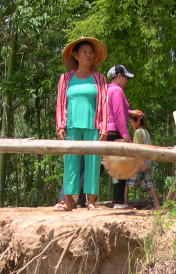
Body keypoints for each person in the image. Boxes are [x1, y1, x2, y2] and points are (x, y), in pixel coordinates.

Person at [55, 37, 108, 211]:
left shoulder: (99, 79)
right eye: (84, 51)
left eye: (91, 52)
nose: (88, 55)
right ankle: (68, 201)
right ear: (76, 55)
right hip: (71, 124)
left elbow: (103, 103)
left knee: (93, 161)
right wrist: (60, 125)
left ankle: (91, 201)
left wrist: (103, 127)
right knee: (71, 161)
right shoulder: (66, 79)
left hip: (93, 125)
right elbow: (61, 102)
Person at [106, 64, 143, 203]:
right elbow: (117, 114)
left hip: (107, 132)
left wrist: (130, 112)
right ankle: (119, 202)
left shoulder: (108, 90)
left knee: (101, 166)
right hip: (115, 132)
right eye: (126, 77)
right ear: (119, 76)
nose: (127, 81)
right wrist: (125, 134)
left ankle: (78, 197)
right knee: (121, 166)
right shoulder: (117, 90)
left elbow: (116, 109)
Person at [125, 114, 160, 209]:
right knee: (150, 184)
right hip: (147, 162)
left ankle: (125, 204)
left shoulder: (138, 132)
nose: (131, 125)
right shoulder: (146, 133)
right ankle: (157, 205)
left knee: (128, 183)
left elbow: (138, 149)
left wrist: (141, 163)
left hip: (140, 163)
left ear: (138, 121)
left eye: (132, 122)